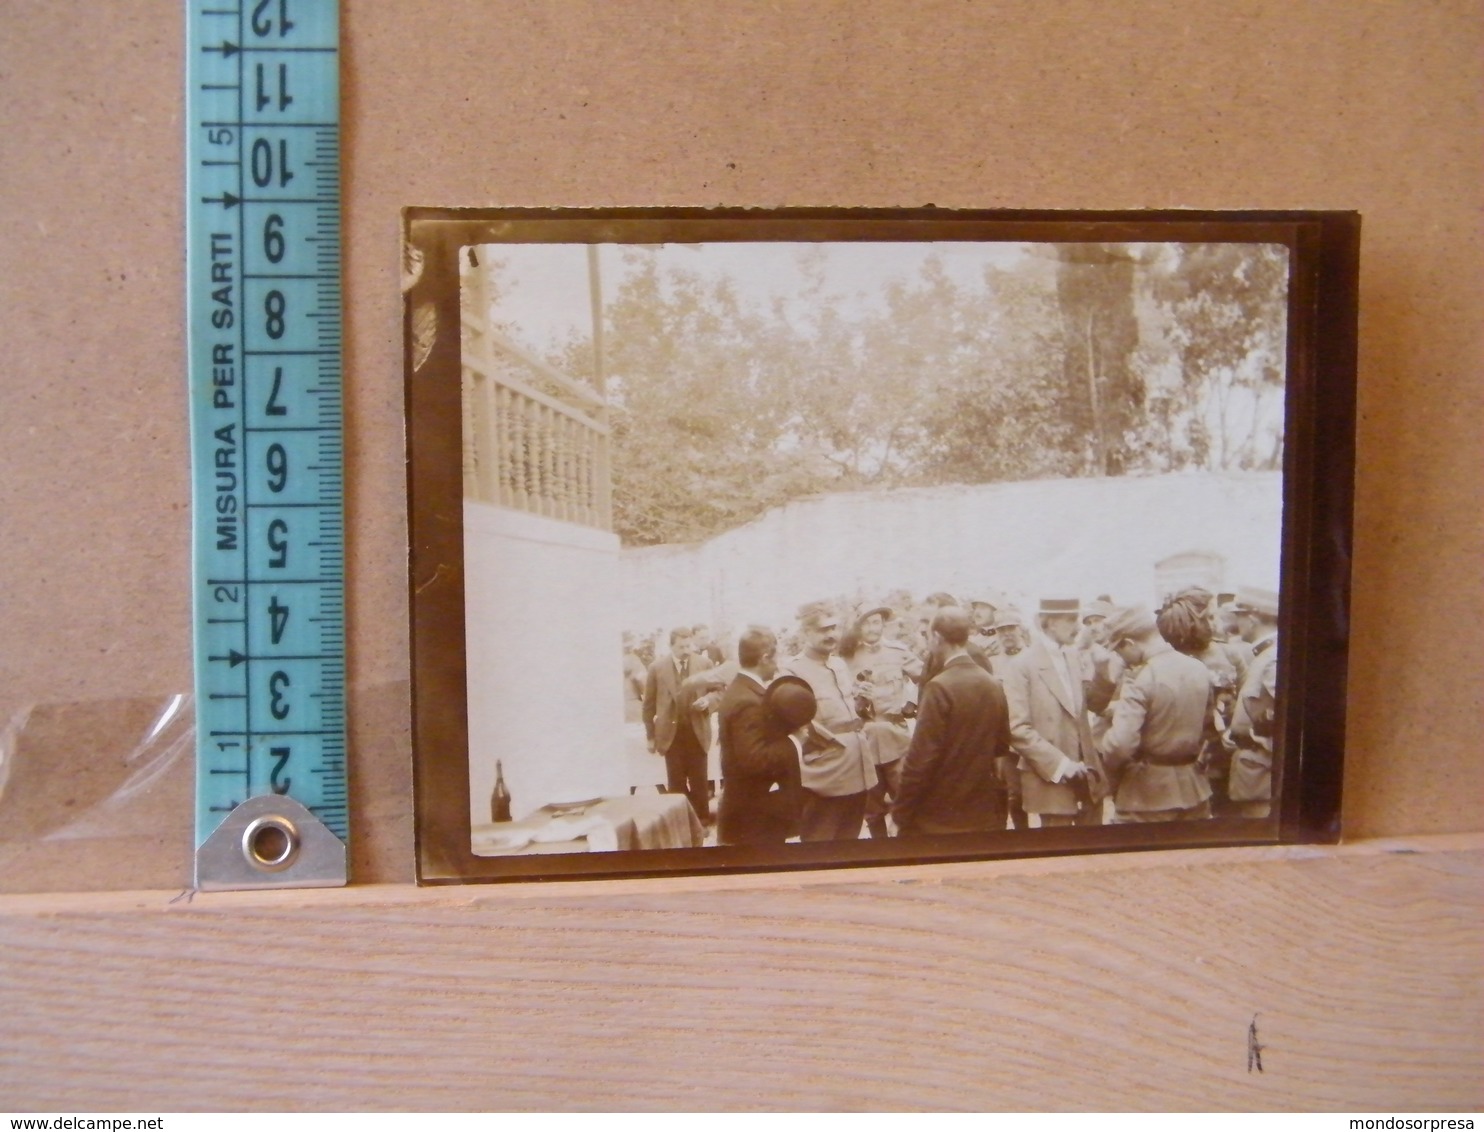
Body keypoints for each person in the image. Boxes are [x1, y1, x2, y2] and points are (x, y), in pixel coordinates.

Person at [892, 607, 1011, 836]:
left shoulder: (939, 687)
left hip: (939, 816)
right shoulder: (993, 684)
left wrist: (900, 814)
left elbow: (920, 759)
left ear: (937, 637)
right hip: (982, 813)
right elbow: (1001, 748)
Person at [1093, 605, 1214, 823]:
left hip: (1145, 796)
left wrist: (1105, 751)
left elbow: (1120, 744)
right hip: (1194, 789)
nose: (1121, 658)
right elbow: (1207, 725)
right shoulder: (1198, 668)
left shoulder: (1141, 678)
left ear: (1129, 643)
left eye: (1119, 651)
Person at [1003, 598, 1106, 828]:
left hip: (1088, 780)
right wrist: (1062, 765)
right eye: (1070, 620)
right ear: (1047, 622)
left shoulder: (1074, 657)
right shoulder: (1021, 666)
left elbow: (1094, 706)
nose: (1079, 627)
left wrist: (1104, 669)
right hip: (1051, 780)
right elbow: (1017, 728)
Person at [780, 601, 878, 841]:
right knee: (820, 845)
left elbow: (844, 714)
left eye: (834, 628)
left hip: (857, 770)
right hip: (826, 775)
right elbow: (796, 728)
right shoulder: (793, 671)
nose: (832, 634)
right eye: (824, 630)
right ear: (805, 633)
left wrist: (861, 703)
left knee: (849, 843)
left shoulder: (839, 664)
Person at [715, 626, 805, 845]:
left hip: (749, 814)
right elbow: (754, 759)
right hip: (754, 820)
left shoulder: (741, 690)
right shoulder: (748, 700)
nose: (778, 663)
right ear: (765, 658)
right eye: (777, 657)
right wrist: (795, 741)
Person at [843, 600, 923, 838]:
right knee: (872, 807)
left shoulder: (898, 652)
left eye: (876, 622)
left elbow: (927, 679)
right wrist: (854, 698)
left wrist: (912, 704)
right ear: (858, 627)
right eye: (866, 623)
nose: (872, 628)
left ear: (883, 624)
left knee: (906, 800)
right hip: (865, 739)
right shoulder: (847, 657)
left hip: (895, 738)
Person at [642, 627, 715, 823]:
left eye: (688, 645)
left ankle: (702, 821)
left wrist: (708, 701)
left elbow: (719, 692)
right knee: (676, 782)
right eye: (681, 646)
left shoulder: (705, 664)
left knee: (700, 781)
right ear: (671, 646)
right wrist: (650, 736)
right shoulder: (656, 668)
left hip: (696, 731)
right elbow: (648, 705)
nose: (686, 650)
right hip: (670, 734)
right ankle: (681, 824)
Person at [1226, 585, 1280, 819]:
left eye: (1239, 616)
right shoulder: (1266, 656)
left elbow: (1292, 720)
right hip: (1257, 772)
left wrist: (1253, 735)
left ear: (1253, 618)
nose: (1237, 623)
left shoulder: (1272, 659)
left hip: (1263, 773)